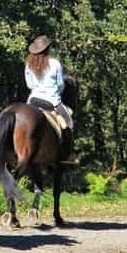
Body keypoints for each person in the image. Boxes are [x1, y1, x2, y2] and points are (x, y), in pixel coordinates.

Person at [24, 35, 76, 164]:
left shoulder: (28, 64)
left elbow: (29, 85)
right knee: (69, 122)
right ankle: (69, 154)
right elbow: (60, 84)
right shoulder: (55, 63)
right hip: (52, 101)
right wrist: (59, 91)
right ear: (47, 49)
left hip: (32, 101)